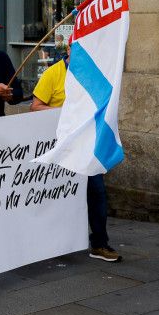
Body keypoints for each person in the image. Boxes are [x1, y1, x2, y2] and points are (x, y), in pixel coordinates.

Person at [31, 57, 121, 263]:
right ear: (69, 50)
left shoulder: (91, 73)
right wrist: (67, 113)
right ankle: (53, 243)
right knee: (58, 197)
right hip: (60, 149)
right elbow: (35, 106)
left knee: (97, 192)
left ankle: (99, 243)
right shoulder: (53, 73)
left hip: (86, 147)